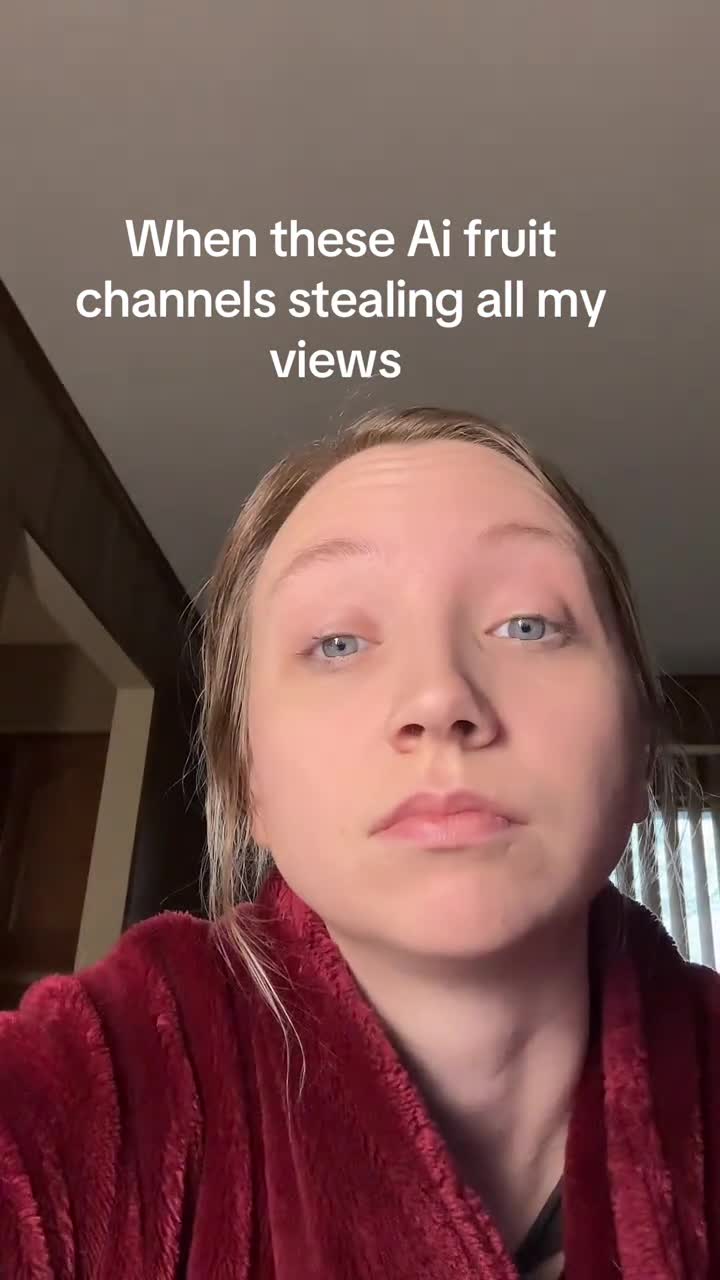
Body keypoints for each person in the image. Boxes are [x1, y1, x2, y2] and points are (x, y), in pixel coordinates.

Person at [0, 406, 717, 1280]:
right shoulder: (86, 1088)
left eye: (528, 623)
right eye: (337, 643)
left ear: (639, 748)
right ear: (248, 784)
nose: (440, 697)